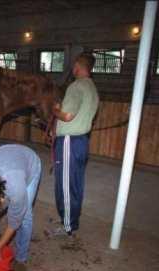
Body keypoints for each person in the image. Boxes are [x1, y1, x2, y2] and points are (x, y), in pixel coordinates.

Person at [50, 52, 99, 237]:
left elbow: (68, 116)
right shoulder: (92, 87)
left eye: (74, 65)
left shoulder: (76, 86)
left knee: (65, 185)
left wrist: (55, 110)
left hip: (69, 141)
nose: (72, 69)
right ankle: (69, 218)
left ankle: (68, 226)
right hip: (81, 141)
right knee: (76, 183)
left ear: (78, 66)